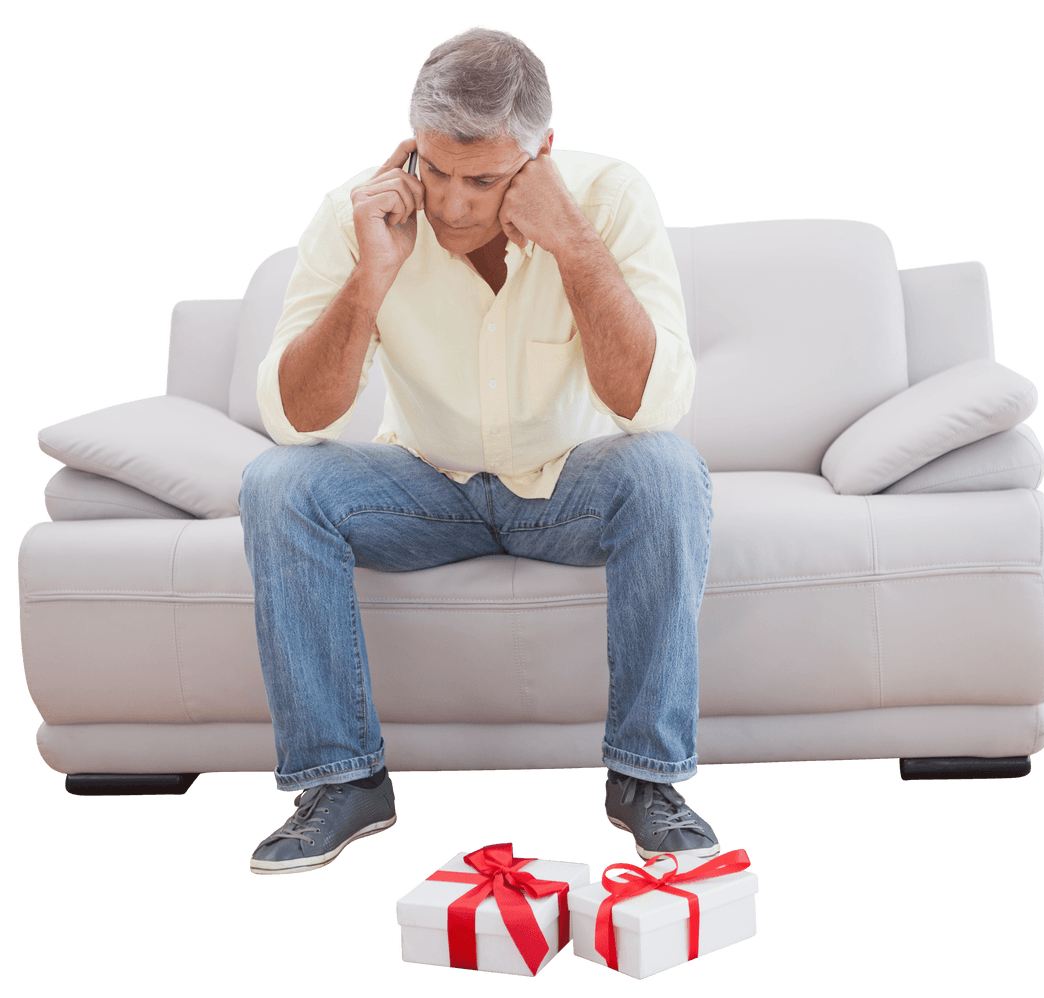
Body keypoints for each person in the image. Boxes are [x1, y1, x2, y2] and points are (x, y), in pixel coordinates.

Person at [240, 24, 717, 876]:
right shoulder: (359, 212)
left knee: (668, 470)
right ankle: (343, 781)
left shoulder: (609, 198)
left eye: (486, 180)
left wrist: (571, 242)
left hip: (569, 488)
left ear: (540, 157)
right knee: (278, 484)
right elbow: (291, 418)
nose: (455, 205)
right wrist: (371, 276)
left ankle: (646, 779)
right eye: (438, 171)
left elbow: (653, 404)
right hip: (425, 489)